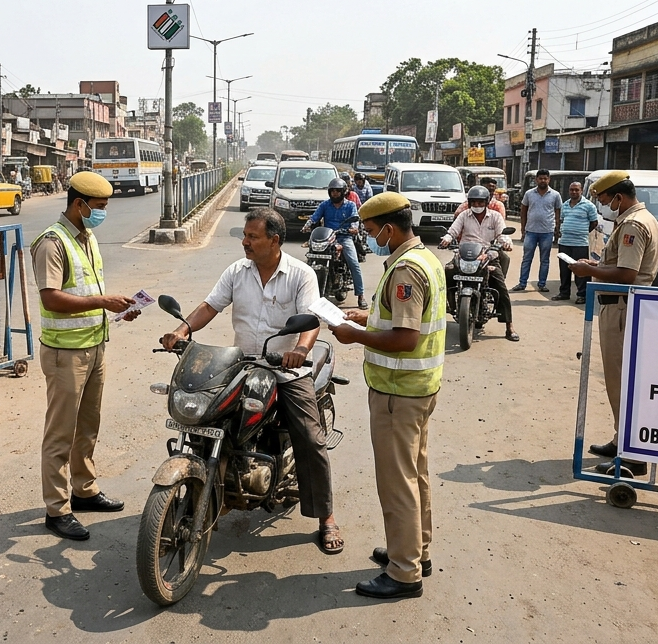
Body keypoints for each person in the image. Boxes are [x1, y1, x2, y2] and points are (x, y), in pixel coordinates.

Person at [160, 207, 343, 554]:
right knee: (208, 416)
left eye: (252, 236)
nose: (244, 242)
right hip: (241, 364)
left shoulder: (300, 274)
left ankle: (327, 517)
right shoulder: (237, 271)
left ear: (274, 240)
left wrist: (301, 350)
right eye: (245, 236)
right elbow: (210, 305)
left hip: (286, 371)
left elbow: (311, 320)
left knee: (309, 436)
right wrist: (182, 328)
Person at [328, 192, 446, 601]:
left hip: (398, 391)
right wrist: (366, 317)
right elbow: (403, 319)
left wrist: (354, 335)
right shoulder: (425, 258)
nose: (370, 236)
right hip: (420, 389)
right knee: (416, 474)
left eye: (373, 229)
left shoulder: (406, 270)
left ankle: (403, 572)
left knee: (397, 483)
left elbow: (406, 338)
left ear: (390, 229)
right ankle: (416, 551)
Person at [32, 171, 140, 540]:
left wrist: (118, 308)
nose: (103, 213)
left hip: (94, 347)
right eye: (99, 207)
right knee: (60, 433)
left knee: (87, 428)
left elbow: (87, 292)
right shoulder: (53, 242)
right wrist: (101, 301)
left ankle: (84, 490)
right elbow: (51, 298)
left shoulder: (87, 237)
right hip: (66, 354)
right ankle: (57, 509)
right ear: (79, 204)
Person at [570, 171, 658, 477]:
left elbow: (627, 275)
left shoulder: (633, 224)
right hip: (623, 307)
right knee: (618, 380)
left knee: (622, 381)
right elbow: (622, 266)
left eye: (604, 200)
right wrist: (598, 265)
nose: (602, 206)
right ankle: (620, 438)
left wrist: (589, 271)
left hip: (623, 309)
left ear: (619, 197)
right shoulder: (638, 218)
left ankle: (632, 455)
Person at [439, 186, 517, 341]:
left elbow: (502, 235)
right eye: (473, 202)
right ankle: (447, 307)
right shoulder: (464, 216)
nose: (477, 205)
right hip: (464, 255)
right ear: (469, 202)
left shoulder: (495, 216)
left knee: (501, 287)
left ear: (487, 202)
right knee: (445, 274)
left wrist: (506, 242)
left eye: (480, 202)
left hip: (488, 256)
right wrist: (446, 239)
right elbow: (453, 231)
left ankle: (509, 326)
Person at [302, 178, 366, 308]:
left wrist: (354, 227)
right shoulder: (325, 205)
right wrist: (306, 226)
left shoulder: (350, 205)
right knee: (310, 260)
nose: (335, 193)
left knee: (354, 264)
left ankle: (360, 296)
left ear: (343, 192)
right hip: (328, 237)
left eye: (338, 191)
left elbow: (355, 219)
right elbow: (314, 217)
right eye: (333, 191)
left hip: (344, 237)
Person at [513, 169, 560, 294]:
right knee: (526, 258)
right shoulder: (529, 194)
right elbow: (523, 212)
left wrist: (557, 230)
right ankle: (522, 283)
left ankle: (542, 284)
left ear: (549, 180)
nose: (543, 180)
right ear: (536, 180)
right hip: (531, 231)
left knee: (545, 260)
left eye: (545, 178)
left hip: (547, 232)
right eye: (540, 178)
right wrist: (523, 229)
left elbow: (557, 212)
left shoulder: (555, 195)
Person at [555, 181, 599, 304]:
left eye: (576, 190)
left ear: (581, 191)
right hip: (564, 242)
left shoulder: (589, 206)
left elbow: (594, 223)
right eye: (571, 190)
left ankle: (582, 295)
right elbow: (562, 220)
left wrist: (582, 232)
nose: (574, 192)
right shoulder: (565, 205)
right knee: (564, 270)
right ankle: (564, 293)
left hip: (580, 243)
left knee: (582, 270)